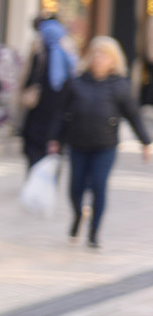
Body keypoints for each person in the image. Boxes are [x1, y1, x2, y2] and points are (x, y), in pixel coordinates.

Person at [48, 37, 151, 248]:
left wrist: (146, 142)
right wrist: (54, 138)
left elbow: (133, 115)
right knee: (75, 188)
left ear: (113, 60)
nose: (98, 58)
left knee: (98, 186)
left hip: (105, 146)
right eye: (95, 53)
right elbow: (61, 112)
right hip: (77, 144)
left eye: (103, 55)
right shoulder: (76, 82)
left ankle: (94, 232)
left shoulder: (120, 86)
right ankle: (79, 214)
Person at [20, 17, 74, 169]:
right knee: (52, 159)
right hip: (57, 119)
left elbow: (27, 82)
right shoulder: (67, 59)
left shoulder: (40, 56)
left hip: (38, 116)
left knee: (35, 155)